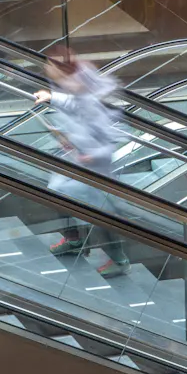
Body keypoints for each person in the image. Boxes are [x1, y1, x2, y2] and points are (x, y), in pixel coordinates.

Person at [35, 49, 131, 278]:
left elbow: (113, 139)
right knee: (58, 192)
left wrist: (92, 156)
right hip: (77, 161)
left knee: (101, 212)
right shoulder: (77, 91)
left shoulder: (90, 98)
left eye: (50, 67)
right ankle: (73, 240)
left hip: (95, 168)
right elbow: (74, 104)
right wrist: (52, 97)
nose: (46, 70)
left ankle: (119, 260)